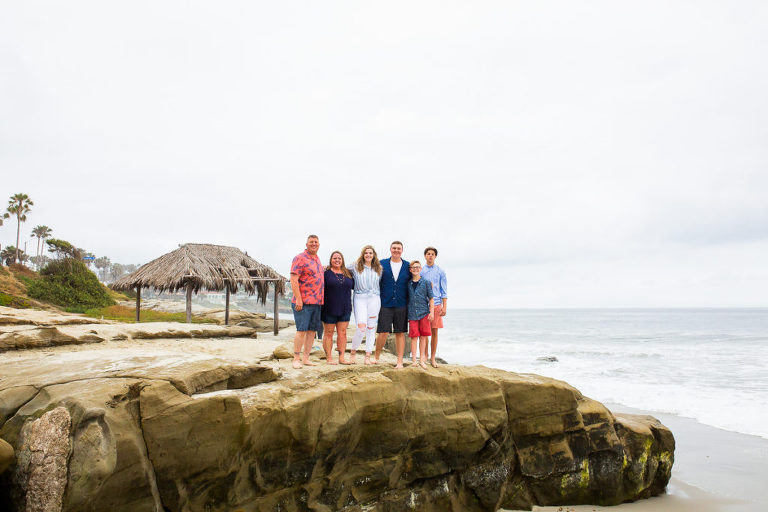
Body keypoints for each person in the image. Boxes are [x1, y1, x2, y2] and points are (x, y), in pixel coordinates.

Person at [290, 235, 324, 369]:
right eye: (311, 242)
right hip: (303, 302)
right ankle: (296, 358)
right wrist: (298, 298)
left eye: (316, 242)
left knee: (312, 331)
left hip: (317, 302)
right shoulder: (300, 258)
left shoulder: (317, 259)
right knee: (302, 330)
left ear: (319, 245)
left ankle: (306, 358)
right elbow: (294, 279)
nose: (314, 244)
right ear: (306, 244)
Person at [375, 241, 410, 365]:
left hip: (401, 304)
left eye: (398, 248)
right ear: (390, 249)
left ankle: (399, 361)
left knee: (400, 333)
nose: (396, 250)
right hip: (385, 303)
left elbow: (413, 282)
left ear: (402, 250)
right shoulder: (382, 263)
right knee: (383, 332)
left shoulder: (407, 266)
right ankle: (376, 357)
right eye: (394, 248)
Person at [349, 245, 382, 365]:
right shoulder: (355, 266)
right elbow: (341, 268)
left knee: (371, 328)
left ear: (374, 255)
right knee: (361, 327)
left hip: (374, 299)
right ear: (363, 254)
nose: (368, 255)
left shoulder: (379, 268)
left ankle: (368, 356)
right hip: (360, 298)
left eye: (370, 253)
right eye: (366, 253)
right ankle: (353, 352)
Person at [321, 251, 354, 365]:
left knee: (343, 333)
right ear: (331, 260)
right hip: (329, 307)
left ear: (342, 260)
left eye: (339, 258)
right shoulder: (326, 273)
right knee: (328, 333)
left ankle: (342, 357)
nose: (337, 260)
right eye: (334, 258)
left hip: (345, 308)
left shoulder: (348, 273)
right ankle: (329, 357)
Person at [421, 246, 447, 367]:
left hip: (436, 305)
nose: (430, 256)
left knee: (434, 332)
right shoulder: (421, 271)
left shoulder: (440, 271)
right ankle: (424, 356)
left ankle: (432, 358)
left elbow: (444, 290)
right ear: (425, 256)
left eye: (432, 254)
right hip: (424, 305)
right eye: (428, 254)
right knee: (425, 333)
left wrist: (444, 306)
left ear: (435, 256)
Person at [406, 260, 434, 370]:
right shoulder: (408, 284)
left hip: (424, 313)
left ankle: (422, 359)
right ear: (410, 270)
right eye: (413, 267)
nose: (415, 269)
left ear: (421, 269)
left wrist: (431, 312)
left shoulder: (426, 282)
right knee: (414, 337)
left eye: (417, 267)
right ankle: (414, 360)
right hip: (412, 314)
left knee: (423, 337)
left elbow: (431, 298)